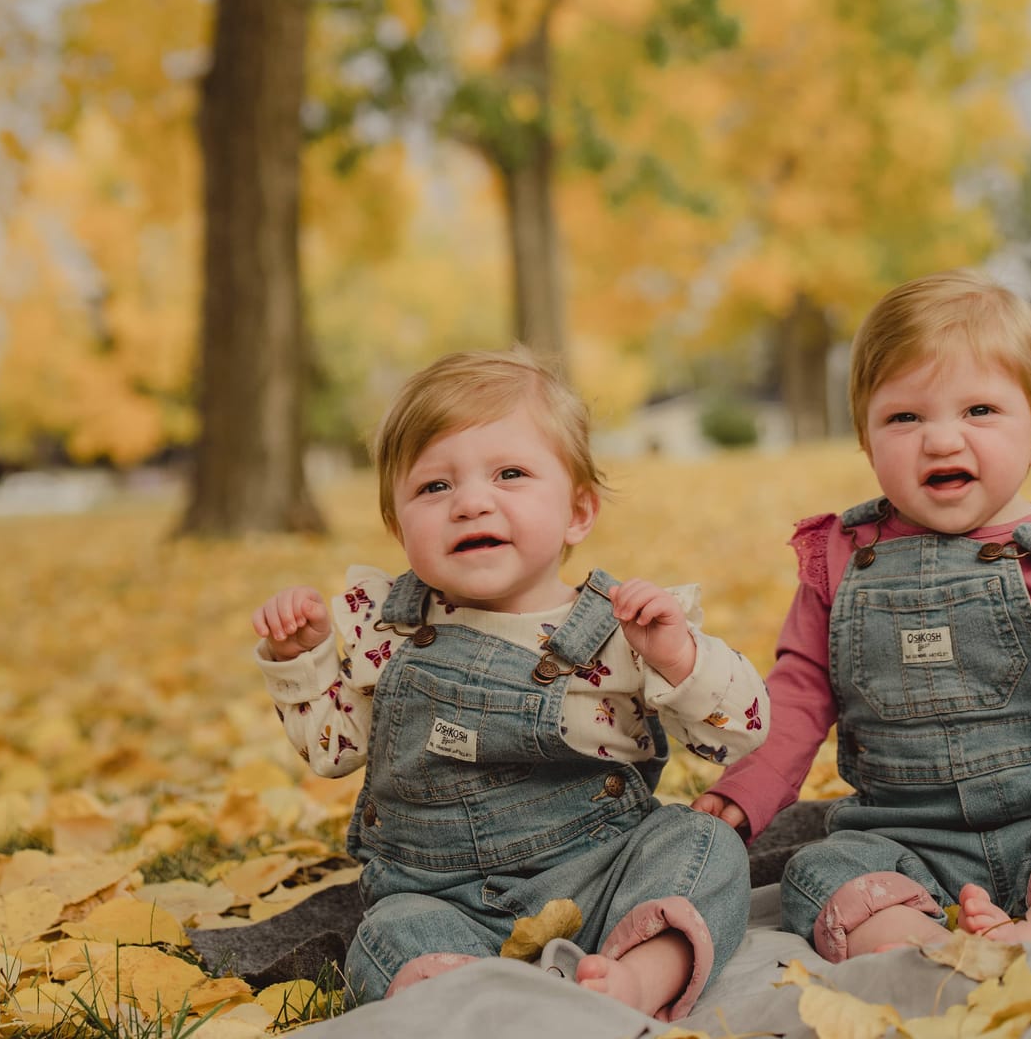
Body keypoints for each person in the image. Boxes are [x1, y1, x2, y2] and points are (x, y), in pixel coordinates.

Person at [694, 272, 1031, 957]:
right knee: (822, 874)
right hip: (905, 831)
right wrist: (746, 789)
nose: (940, 441)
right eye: (905, 417)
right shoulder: (842, 559)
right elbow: (799, 688)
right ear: (867, 439)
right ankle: (924, 953)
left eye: (979, 411)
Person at [252, 348, 766, 1021]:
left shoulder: (619, 628)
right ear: (398, 524)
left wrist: (677, 656)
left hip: (601, 875)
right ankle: (480, 1005)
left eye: (510, 474)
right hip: (443, 898)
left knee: (705, 847)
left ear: (579, 511)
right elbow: (335, 751)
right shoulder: (388, 627)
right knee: (387, 932)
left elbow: (739, 734)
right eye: (433, 488)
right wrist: (306, 659)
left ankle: (638, 978)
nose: (470, 503)